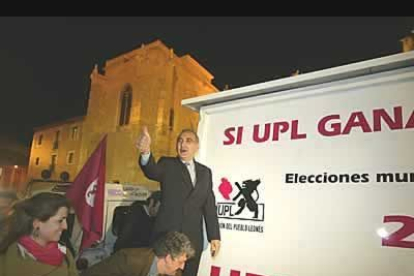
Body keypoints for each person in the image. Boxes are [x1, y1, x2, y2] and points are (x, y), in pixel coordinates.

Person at [136, 127, 221, 276]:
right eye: (180, 141)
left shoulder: (205, 172)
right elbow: (152, 171)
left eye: (189, 141)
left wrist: (214, 235)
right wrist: (145, 153)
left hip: (193, 239)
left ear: (197, 146)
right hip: (167, 237)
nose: (183, 144)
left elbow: (209, 205)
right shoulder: (167, 164)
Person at [0, 192, 78, 276]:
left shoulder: (66, 254)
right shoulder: (7, 258)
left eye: (66, 220)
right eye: (60, 221)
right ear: (36, 223)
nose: (65, 226)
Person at [82, 231, 195, 276]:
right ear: (168, 258)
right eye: (180, 262)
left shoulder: (175, 273)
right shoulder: (128, 260)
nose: (182, 267)